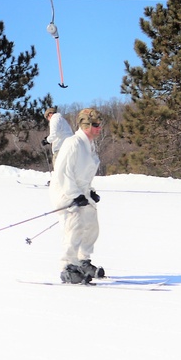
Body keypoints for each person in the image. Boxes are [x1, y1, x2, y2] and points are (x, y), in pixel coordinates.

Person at [50, 107, 106, 284]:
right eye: (95, 125)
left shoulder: (89, 145)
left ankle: (83, 261)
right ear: (86, 125)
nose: (99, 128)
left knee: (91, 224)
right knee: (74, 227)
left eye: (99, 124)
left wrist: (90, 192)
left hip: (82, 193)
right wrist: (74, 195)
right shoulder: (72, 143)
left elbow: (84, 174)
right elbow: (63, 172)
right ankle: (68, 267)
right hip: (66, 193)